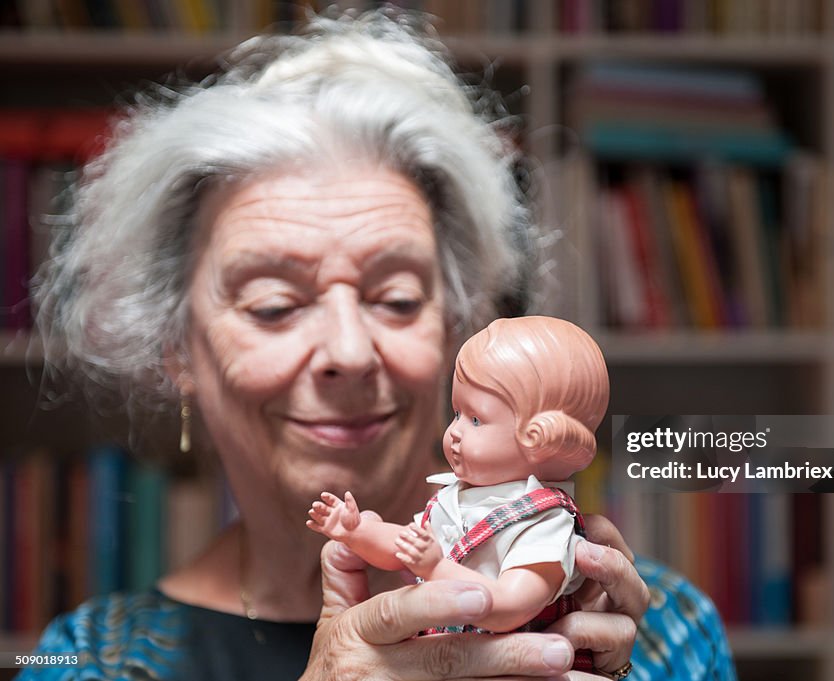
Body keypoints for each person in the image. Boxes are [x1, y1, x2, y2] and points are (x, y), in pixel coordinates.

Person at [22, 7, 736, 681]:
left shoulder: (657, 630)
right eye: (274, 305)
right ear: (177, 348)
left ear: (459, 324)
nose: (350, 350)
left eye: (396, 298)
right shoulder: (91, 659)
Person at [307, 316, 608, 640]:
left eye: (476, 420)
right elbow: (404, 547)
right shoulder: (458, 499)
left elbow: (510, 606)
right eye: (455, 414)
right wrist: (358, 532)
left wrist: (436, 568)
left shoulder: (544, 524)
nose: (454, 432)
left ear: (539, 437)